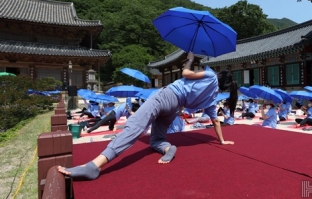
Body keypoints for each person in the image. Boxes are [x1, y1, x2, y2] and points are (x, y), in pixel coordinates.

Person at [58, 52, 237, 180]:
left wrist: (189, 60)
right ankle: (168, 148)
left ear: (220, 75)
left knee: (134, 125)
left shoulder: (211, 75)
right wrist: (221, 141)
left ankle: (94, 166)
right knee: (156, 139)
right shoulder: (213, 98)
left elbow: (185, 73)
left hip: (167, 96)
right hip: (174, 107)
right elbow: (215, 120)